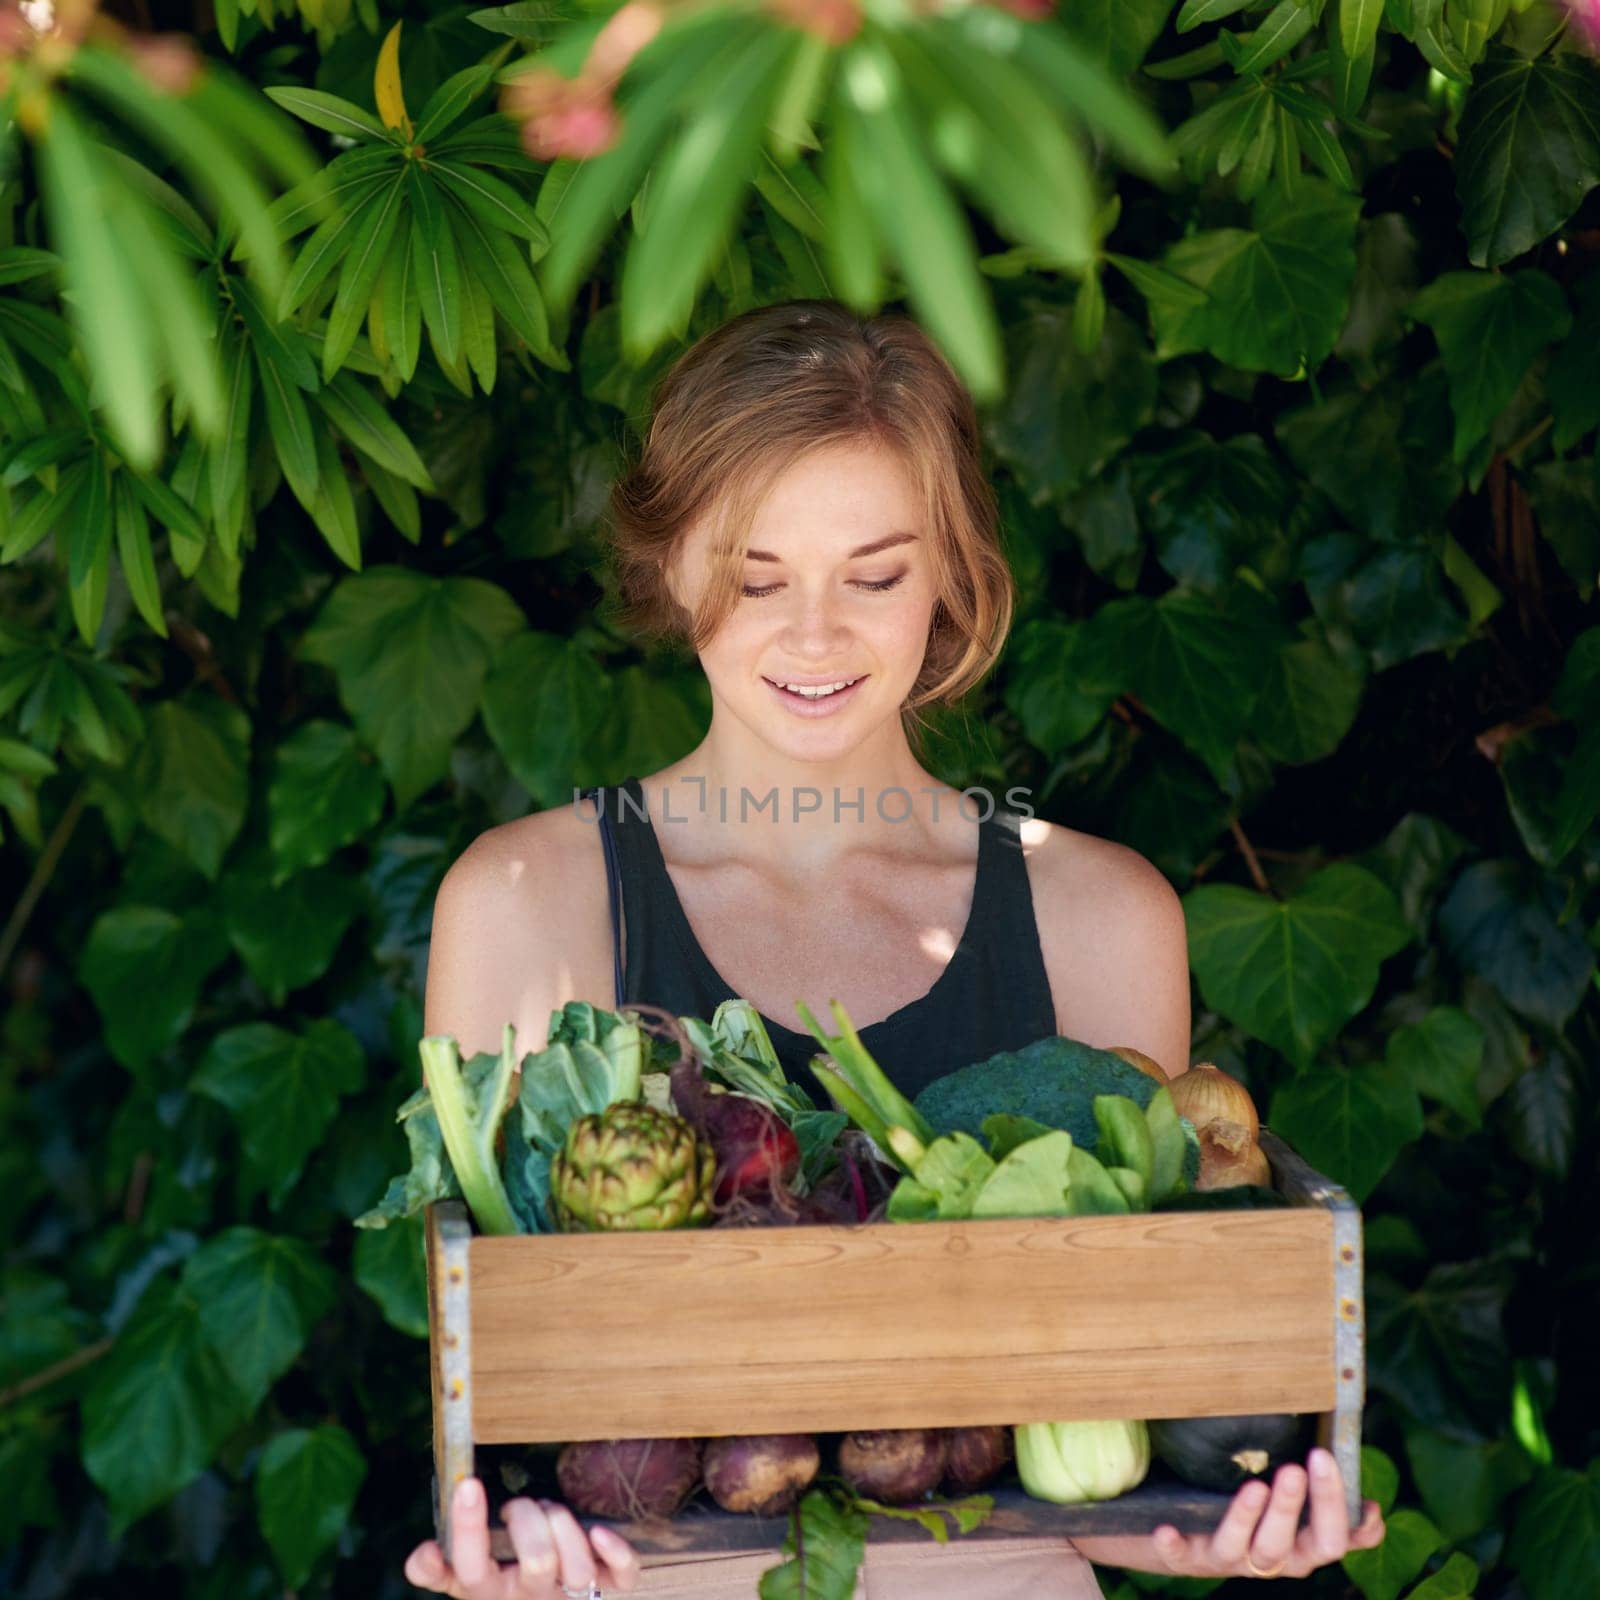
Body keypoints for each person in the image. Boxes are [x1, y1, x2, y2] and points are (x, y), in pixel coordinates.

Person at [404, 300, 1387, 1598]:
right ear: (671, 566)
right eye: (757, 577)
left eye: (874, 575)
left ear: (953, 576)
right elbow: (500, 1416)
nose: (814, 633)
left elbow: (1098, 1461)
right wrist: (504, 1544)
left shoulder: (1100, 918)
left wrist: (1213, 1531)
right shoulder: (529, 903)